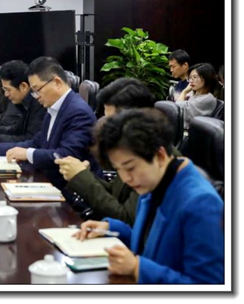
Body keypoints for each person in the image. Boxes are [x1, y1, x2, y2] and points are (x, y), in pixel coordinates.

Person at [76, 108, 224, 284]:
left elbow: (208, 286)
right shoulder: (156, 181)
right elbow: (153, 244)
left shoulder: (201, 203)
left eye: (130, 167)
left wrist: (138, 267)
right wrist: (110, 228)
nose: (126, 178)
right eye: (118, 169)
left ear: (159, 155)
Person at [0, 57, 99, 193]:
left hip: (69, 191)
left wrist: (28, 154)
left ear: (57, 83)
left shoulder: (78, 112)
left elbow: (66, 155)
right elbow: (36, 142)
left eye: (37, 90)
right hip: (50, 181)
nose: (35, 96)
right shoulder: (54, 107)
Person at [55, 78, 155, 225]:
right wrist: (82, 175)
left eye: (112, 121)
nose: (108, 129)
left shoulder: (151, 157)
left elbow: (126, 219)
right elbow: (117, 193)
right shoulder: (131, 147)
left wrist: (81, 177)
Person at [0, 60, 46, 146]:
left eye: (8, 90)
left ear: (23, 86)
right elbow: (17, 130)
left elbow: (29, 139)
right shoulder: (25, 103)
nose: (6, 94)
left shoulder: (39, 104)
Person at [175, 62, 220, 128]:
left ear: (206, 78)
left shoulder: (208, 98)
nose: (191, 81)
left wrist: (184, 92)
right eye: (190, 78)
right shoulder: (195, 94)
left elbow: (179, 109)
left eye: (195, 77)